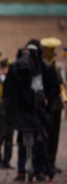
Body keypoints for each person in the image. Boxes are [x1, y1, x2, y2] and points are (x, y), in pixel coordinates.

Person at [6, 40, 59, 182]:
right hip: (23, 112)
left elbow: (55, 87)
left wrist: (46, 99)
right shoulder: (18, 67)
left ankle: (40, 170)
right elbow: (10, 89)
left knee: (40, 141)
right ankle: (21, 170)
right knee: (23, 142)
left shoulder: (46, 68)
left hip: (39, 112)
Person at [40, 37, 64, 175]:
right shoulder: (45, 68)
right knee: (46, 135)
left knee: (55, 135)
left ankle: (52, 161)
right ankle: (45, 161)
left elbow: (60, 86)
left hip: (56, 106)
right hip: (47, 105)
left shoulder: (54, 69)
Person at [0, 58, 13, 169]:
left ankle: (7, 159)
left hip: (10, 112)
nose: (8, 70)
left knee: (9, 138)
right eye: (6, 68)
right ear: (2, 68)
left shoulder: (13, 80)